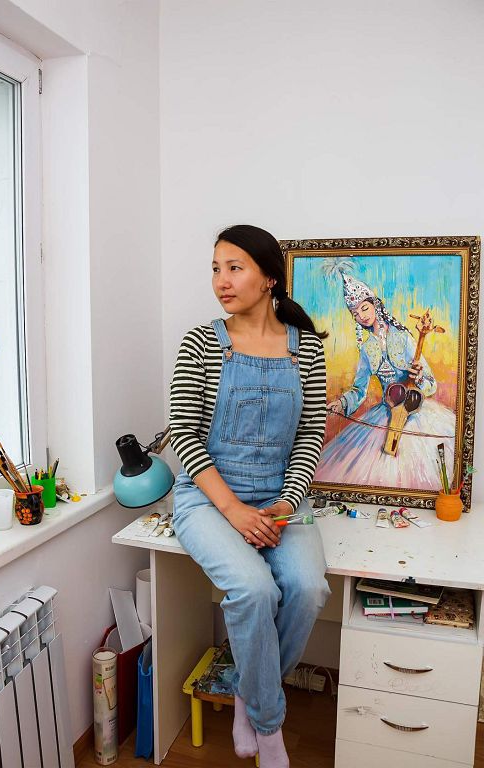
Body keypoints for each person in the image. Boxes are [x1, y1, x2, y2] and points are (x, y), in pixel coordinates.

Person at [169, 224, 330, 768]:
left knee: (308, 588)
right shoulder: (200, 343)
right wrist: (234, 510)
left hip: (280, 497)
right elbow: (183, 434)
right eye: (216, 269)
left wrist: (287, 500)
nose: (221, 280)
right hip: (209, 499)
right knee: (254, 590)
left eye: (234, 268)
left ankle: (247, 690)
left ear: (268, 278)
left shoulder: (306, 348)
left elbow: (310, 434)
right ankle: (269, 725)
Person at [314, 270, 455, 489]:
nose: (362, 316)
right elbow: (359, 390)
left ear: (375, 304)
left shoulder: (403, 337)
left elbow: (431, 383)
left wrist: (419, 377)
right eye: (355, 313)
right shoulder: (367, 349)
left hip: (415, 411)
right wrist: (341, 403)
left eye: (364, 308)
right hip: (386, 412)